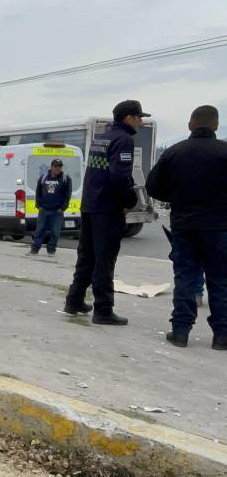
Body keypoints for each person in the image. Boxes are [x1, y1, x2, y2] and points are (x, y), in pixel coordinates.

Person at [147, 105, 227, 350]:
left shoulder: (174, 152)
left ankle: (180, 331)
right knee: (220, 280)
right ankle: (222, 336)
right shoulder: (224, 152)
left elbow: (153, 187)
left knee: (185, 278)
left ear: (191, 124)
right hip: (219, 227)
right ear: (215, 125)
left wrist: (177, 196)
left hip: (184, 225)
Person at [63, 100, 146, 325]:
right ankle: (103, 310)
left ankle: (74, 301)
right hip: (107, 209)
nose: (141, 121)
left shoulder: (102, 138)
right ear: (129, 118)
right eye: (139, 117)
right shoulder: (124, 140)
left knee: (87, 257)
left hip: (90, 204)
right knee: (104, 260)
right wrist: (130, 200)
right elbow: (119, 177)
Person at [29, 159, 72, 255]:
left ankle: (51, 250)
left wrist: (62, 208)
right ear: (51, 167)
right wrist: (38, 205)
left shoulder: (66, 179)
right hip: (43, 210)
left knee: (55, 232)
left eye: (60, 166)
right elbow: (38, 192)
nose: (58, 168)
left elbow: (67, 195)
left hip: (57, 212)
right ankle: (34, 249)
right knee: (39, 230)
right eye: (56, 166)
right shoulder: (44, 177)